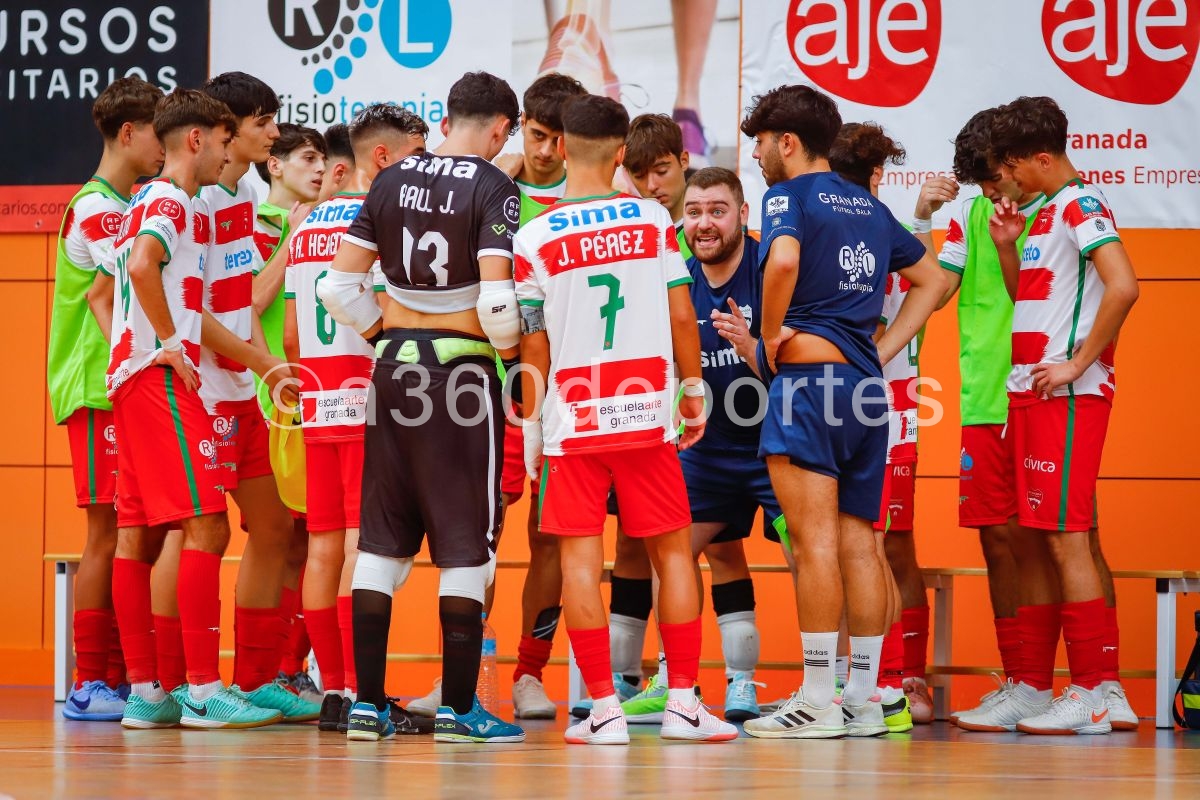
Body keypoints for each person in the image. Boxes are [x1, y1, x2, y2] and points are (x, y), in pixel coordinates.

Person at [516, 93, 737, 745]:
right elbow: (679, 315)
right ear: (621, 155)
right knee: (674, 556)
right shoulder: (649, 222)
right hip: (644, 411)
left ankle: (603, 711)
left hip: (572, 418)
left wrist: (532, 425)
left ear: (559, 147)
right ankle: (685, 707)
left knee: (581, 561)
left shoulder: (532, 238)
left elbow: (533, 347)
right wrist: (692, 388)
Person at [319, 71, 526, 744]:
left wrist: (386, 335)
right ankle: (462, 710)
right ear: (500, 128)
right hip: (462, 380)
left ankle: (366, 705)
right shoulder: (497, 187)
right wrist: (515, 358)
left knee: (379, 543)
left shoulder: (386, 180)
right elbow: (497, 306)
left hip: (392, 375)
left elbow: (337, 286)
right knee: (466, 550)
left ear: (447, 118)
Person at [738, 85, 945, 740]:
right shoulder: (869, 205)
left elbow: (786, 260)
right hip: (865, 393)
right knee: (861, 546)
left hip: (807, 386)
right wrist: (882, 349)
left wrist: (770, 336)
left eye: (761, 143)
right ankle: (862, 697)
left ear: (788, 143)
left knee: (817, 543)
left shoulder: (786, 197)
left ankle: (817, 696)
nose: (759, 156)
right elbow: (934, 281)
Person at [108, 88, 288, 729]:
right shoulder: (172, 199)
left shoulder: (158, 198)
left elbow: (133, 273)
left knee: (138, 532)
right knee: (205, 527)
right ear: (200, 138)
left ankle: (147, 692)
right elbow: (139, 266)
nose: (228, 152)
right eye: (225, 137)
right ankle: (205, 691)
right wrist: (168, 343)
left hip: (134, 377)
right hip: (160, 381)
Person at [978, 96, 1139, 735]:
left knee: (1068, 536)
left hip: (1066, 396)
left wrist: (1077, 365)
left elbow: (1124, 285)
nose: (1006, 182)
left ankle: (1097, 689)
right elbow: (1035, 300)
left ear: (1042, 159)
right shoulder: (1046, 212)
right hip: (1032, 394)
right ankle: (1045, 690)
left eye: (1012, 168)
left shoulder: (1082, 204)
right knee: (1044, 537)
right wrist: (1010, 248)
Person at [284, 104, 429, 735]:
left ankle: (334, 690)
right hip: (373, 402)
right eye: (414, 159)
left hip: (318, 401)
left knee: (322, 547)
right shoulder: (385, 219)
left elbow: (292, 333)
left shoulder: (307, 224)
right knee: (357, 548)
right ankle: (357, 691)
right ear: (380, 156)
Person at [193, 72, 320, 722]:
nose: (274, 133)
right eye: (265, 122)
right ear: (226, 128)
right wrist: (267, 361)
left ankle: (253, 679)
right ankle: (182, 689)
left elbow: (237, 306)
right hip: (197, 390)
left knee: (271, 528)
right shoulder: (188, 199)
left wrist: (258, 367)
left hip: (242, 387)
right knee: (197, 534)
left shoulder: (238, 192)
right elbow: (197, 317)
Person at [48, 76, 164, 721]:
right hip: (97, 387)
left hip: (130, 387)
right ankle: (90, 679)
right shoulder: (95, 208)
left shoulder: (136, 202)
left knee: (137, 535)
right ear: (129, 133)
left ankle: (124, 677)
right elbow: (113, 295)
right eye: (159, 134)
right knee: (107, 533)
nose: (167, 148)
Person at [677, 167, 779, 722]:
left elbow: (806, 358)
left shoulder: (771, 269)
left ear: (743, 215)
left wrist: (753, 348)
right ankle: (696, 688)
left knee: (812, 555)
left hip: (775, 445)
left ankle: (841, 688)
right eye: (694, 212)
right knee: (681, 554)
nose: (704, 223)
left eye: (717, 210)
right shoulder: (679, 276)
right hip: (708, 450)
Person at [252, 122, 327, 701]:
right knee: (278, 540)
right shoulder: (260, 225)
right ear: (273, 165)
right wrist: (291, 240)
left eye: (324, 160)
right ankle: (265, 671)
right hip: (271, 402)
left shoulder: (327, 227)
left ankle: (288, 668)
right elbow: (249, 301)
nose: (319, 169)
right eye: (306, 158)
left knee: (312, 539)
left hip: (318, 399)